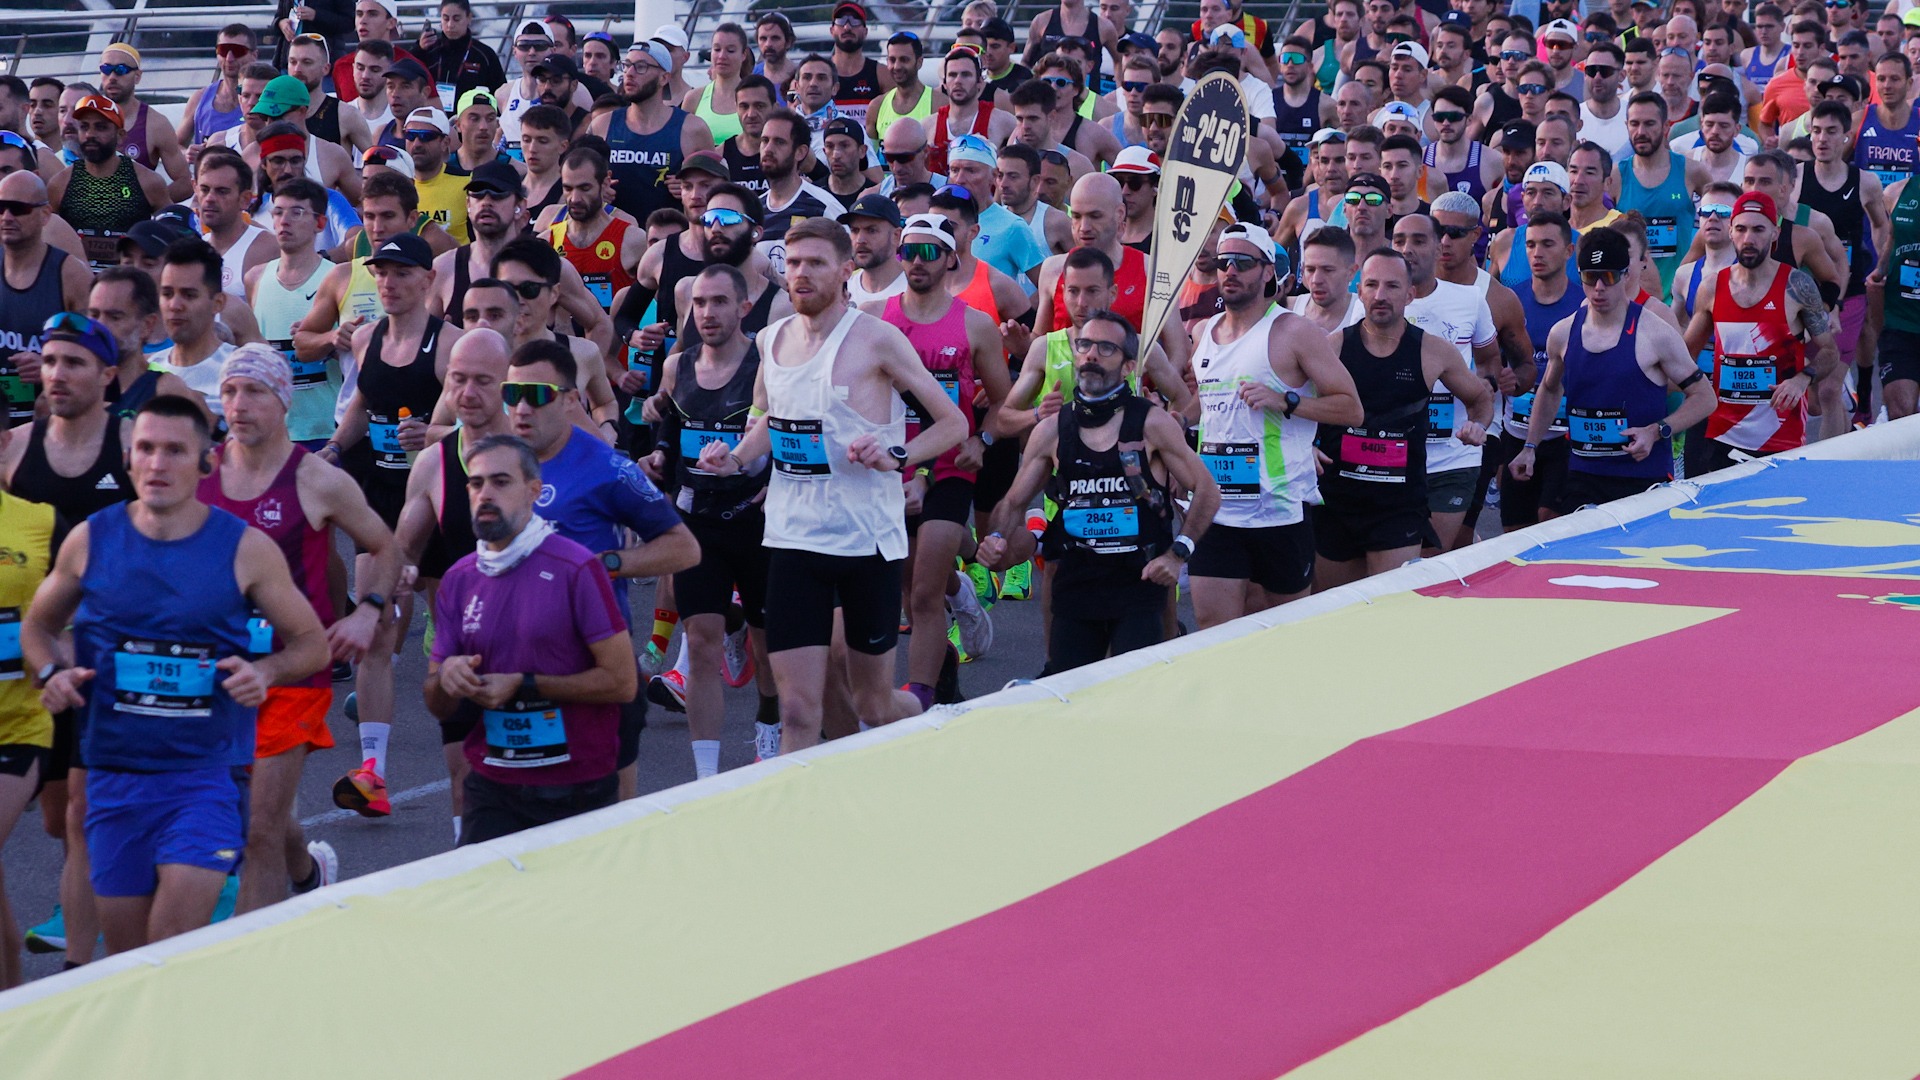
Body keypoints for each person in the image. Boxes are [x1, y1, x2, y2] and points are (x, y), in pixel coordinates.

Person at [24, 394, 328, 954]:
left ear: (204, 461)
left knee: (173, 942)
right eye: (146, 449)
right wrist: (51, 674)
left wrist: (267, 671)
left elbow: (312, 644)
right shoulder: (91, 540)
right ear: (129, 459)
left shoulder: (245, 549)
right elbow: (38, 627)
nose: (158, 464)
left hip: (204, 777)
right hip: (115, 777)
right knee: (131, 957)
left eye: (174, 451)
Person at [694, 218, 967, 752]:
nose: (801, 274)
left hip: (866, 543)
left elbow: (952, 422)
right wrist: (735, 458)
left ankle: (937, 714)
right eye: (793, 264)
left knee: (874, 703)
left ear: (845, 271)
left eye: (816, 263)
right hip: (793, 542)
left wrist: (898, 454)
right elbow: (767, 422)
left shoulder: (877, 339)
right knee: (799, 710)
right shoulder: (771, 341)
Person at [198, 345, 393, 912]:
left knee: (256, 828)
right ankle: (309, 873)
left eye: (254, 391)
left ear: (284, 401)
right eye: (230, 391)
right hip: (216, 670)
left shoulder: (315, 479)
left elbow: (383, 543)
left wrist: (366, 609)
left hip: (293, 668)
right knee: (262, 812)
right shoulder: (201, 470)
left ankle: (250, 957)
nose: (239, 404)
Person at [503, 338, 696, 797]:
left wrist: (606, 563)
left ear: (571, 399)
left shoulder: (608, 468)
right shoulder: (494, 464)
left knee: (607, 815)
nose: (522, 408)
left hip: (592, 665)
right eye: (513, 396)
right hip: (512, 663)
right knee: (516, 810)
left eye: (538, 394)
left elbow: (683, 549)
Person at [423, 434, 636, 844]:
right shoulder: (458, 579)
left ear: (533, 491)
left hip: (577, 787)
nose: (485, 494)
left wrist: (525, 684)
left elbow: (623, 682)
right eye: (476, 483)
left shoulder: (576, 568)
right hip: (492, 785)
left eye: (501, 482)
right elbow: (437, 703)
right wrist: (446, 678)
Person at [977, 308, 1216, 671]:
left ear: (1128, 367)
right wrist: (995, 536)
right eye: (1085, 345)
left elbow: (1207, 492)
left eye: (1106, 349)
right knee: (1067, 691)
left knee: (1131, 692)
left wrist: (1178, 554)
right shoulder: (1053, 429)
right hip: (1076, 588)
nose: (1090, 355)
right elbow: (1012, 502)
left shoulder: (1151, 423)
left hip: (1137, 588)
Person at [322, 232, 464, 816]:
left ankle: (477, 757)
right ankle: (373, 772)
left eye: (402, 273)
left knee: (454, 632)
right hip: (380, 496)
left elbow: (483, 422)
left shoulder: (451, 344)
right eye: (381, 272)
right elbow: (365, 403)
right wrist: (332, 449)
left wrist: (433, 434)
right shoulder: (366, 337)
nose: (389, 282)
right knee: (376, 632)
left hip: (438, 500)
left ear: (428, 280)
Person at [1188, 222, 1361, 628]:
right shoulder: (1203, 333)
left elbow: (1351, 408)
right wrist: (1177, 426)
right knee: (1212, 633)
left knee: (1283, 636)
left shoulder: (1294, 331)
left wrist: (1288, 401)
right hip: (1216, 510)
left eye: (1243, 263)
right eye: (1223, 262)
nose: (1230, 271)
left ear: (1268, 272)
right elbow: (1210, 401)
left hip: (1278, 512)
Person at [640, 266, 779, 771]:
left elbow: (777, 434)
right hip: (697, 523)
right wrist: (658, 455)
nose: (707, 313)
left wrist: (766, 475)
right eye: (699, 303)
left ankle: (769, 727)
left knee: (768, 647)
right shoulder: (678, 364)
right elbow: (673, 426)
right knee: (700, 642)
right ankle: (706, 773)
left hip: (755, 520)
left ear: (744, 308)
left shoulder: (765, 363)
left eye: (719, 302)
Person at [866, 213, 1008, 705]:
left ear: (952, 258)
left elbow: (1003, 404)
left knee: (923, 593)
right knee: (909, 583)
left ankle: (920, 696)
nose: (917, 262)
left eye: (930, 252)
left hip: (949, 467)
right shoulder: (876, 317)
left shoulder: (975, 324)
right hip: (888, 466)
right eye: (908, 251)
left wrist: (981, 443)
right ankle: (961, 599)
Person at [1313, 248, 1491, 589]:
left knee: (1389, 606)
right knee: (1333, 613)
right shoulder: (1332, 348)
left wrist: (1477, 425)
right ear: (1359, 291)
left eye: (1392, 286)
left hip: (1398, 507)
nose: (1380, 296)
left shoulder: (1432, 350)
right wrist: (1304, 446)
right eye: (1372, 285)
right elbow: (1297, 407)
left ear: (1410, 294)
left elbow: (1480, 396)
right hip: (1337, 502)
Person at [1511, 227, 1717, 510]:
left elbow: (1705, 398)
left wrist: (1656, 431)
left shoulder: (1655, 332)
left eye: (1608, 277)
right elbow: (1549, 388)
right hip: (1582, 473)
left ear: (1626, 275)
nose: (1598, 288)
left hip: (1642, 478)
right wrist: (1530, 447)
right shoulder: (1562, 332)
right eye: (1590, 277)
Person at [1682, 190, 1840, 471]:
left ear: (1775, 233)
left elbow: (1829, 352)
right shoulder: (1711, 288)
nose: (1748, 239)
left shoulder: (1798, 286)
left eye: (1758, 229)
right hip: (1721, 431)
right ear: (1731, 232)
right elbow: (1683, 358)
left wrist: (1802, 379)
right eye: (1741, 229)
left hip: (1779, 435)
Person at [1393, 214, 1504, 551]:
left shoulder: (1469, 300)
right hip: (1394, 455)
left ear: (1438, 246)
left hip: (1454, 454)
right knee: (1395, 559)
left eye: (1418, 240)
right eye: (1399, 241)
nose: (1407, 249)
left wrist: (1481, 395)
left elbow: (1489, 362)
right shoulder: (1372, 305)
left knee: (1430, 556)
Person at [1497, 211, 1584, 526]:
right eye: (1531, 245)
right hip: (1515, 432)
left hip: (1566, 438)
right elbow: (1490, 361)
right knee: (1513, 532)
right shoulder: (1509, 300)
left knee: (1551, 522)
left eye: (1548, 244)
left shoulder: (1584, 303)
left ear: (1569, 251)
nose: (1537, 253)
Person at [245, 177, 340, 448]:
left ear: (319, 223)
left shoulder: (336, 277)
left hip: (325, 426)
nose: (284, 220)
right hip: (272, 429)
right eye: (278, 212)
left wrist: (328, 341)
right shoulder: (256, 277)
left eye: (296, 212)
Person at [0, 171, 92, 427]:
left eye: (18, 209)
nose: (7, 217)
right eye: (1, 207)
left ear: (44, 215)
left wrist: (49, 365)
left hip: (48, 424)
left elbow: (99, 358)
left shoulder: (71, 276)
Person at [587, 41, 711, 227]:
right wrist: (595, 191)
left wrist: (691, 187)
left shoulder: (692, 129)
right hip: (612, 245)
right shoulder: (602, 125)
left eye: (641, 67)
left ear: (664, 78)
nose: (629, 73)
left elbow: (718, 189)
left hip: (668, 241)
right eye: (627, 65)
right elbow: (578, 182)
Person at [48, 95, 168, 272]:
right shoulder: (60, 184)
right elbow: (43, 234)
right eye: (84, 127)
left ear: (120, 136)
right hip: (78, 286)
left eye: (101, 127)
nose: (90, 135)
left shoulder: (147, 181)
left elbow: (172, 234)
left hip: (131, 286)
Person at [1619, 91, 1710, 296]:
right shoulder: (1616, 177)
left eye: (1649, 124)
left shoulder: (1693, 171)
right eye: (1634, 124)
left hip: (1680, 296)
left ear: (1666, 127)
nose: (1641, 131)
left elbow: (1721, 216)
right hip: (1631, 298)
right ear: (1626, 126)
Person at [547, 146, 643, 316]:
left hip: (613, 341)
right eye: (568, 189)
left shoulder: (633, 240)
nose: (575, 199)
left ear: (605, 184)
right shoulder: (549, 241)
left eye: (584, 189)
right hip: (567, 341)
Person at [152, 240, 240, 422]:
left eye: (189, 295)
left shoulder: (240, 371)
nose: (175, 305)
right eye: (167, 294)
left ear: (218, 303)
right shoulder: (148, 370)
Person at [91, 44, 190, 201]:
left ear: (137, 76)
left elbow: (185, 182)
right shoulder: (84, 119)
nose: (113, 77)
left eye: (121, 70)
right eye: (107, 69)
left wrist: (146, 204)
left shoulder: (156, 124)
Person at [756, 110, 847, 276]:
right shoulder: (753, 210)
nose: (768, 149)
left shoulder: (824, 208)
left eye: (779, 142)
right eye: (764, 141)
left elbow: (849, 267)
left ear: (801, 152)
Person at [930, 47, 1014, 178]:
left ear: (980, 82)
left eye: (966, 75)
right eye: (952, 75)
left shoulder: (1002, 121)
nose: (958, 80)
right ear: (945, 83)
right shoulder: (928, 126)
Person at [178, 25, 254, 149]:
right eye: (223, 50)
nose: (229, 58)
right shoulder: (200, 98)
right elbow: (176, 145)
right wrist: (188, 154)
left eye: (238, 51)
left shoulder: (266, 100)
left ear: (254, 55)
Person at [415, 0, 505, 106]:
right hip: (433, 115)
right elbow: (406, 78)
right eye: (445, 18)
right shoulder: (428, 50)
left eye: (456, 19)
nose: (450, 25)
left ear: (469, 18)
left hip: (470, 118)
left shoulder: (484, 55)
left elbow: (501, 95)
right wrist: (419, 49)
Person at [1855, 52, 1920, 188]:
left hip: (1911, 207)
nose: (1887, 85)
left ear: (1909, 83)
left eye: (1894, 79)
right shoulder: (1858, 120)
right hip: (1866, 207)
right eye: (1881, 79)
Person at [1288, 225, 1365, 332]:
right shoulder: (1287, 310)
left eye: (1328, 270)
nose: (1316, 280)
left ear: (1351, 272)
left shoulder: (1364, 315)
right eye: (1310, 269)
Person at [842, 193, 908, 305]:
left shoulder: (914, 290)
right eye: (855, 230)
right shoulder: (842, 287)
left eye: (871, 230)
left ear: (896, 236)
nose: (860, 240)